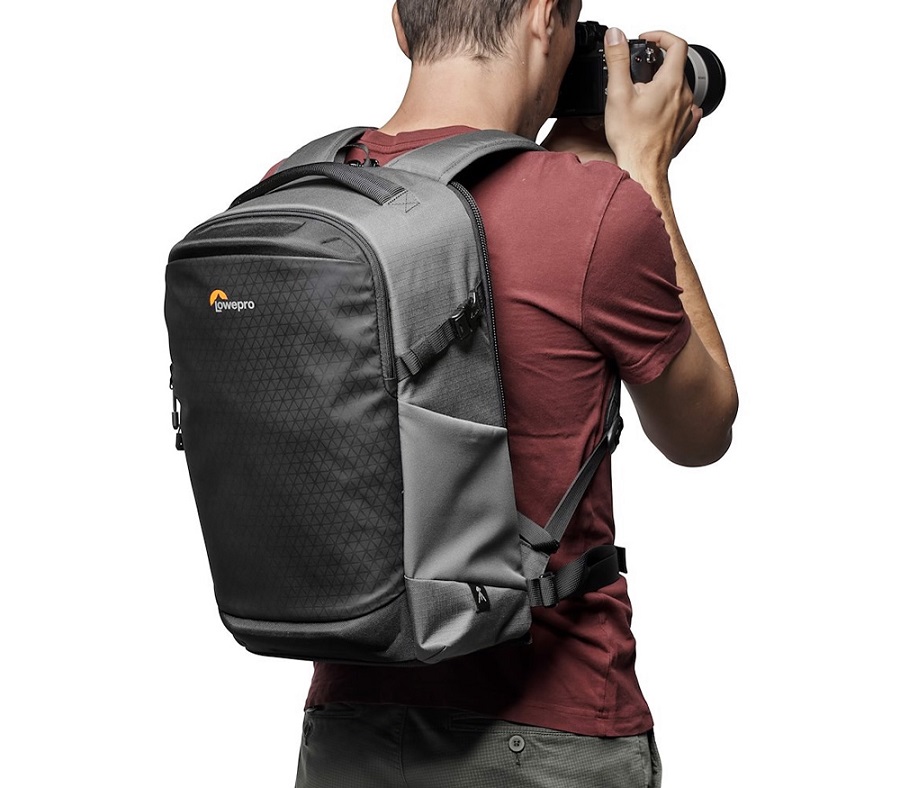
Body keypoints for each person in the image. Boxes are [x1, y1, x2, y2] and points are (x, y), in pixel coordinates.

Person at [294, 1, 738, 786]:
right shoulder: (595, 209)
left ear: (400, 24)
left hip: (348, 726)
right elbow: (703, 430)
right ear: (542, 18)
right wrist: (643, 174)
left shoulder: (297, 194)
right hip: (548, 734)